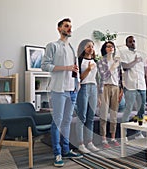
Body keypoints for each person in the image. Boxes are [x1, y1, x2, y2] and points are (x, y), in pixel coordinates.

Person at [41, 18, 83, 167]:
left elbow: (74, 69)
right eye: (66, 26)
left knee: (66, 122)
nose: (69, 28)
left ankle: (66, 150)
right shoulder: (52, 46)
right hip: (59, 90)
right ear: (59, 29)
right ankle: (57, 153)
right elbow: (45, 66)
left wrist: (77, 83)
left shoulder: (72, 48)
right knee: (57, 122)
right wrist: (66, 68)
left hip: (72, 90)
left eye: (71, 26)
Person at [75, 39, 100, 153]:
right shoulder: (79, 61)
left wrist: (99, 95)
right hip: (83, 88)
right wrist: (89, 69)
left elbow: (97, 79)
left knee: (91, 117)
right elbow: (79, 78)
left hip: (93, 88)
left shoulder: (95, 61)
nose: (91, 48)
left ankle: (89, 142)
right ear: (83, 48)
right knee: (82, 117)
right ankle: (80, 144)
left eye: (92, 46)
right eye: (88, 46)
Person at [120, 35, 146, 138]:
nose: (132, 43)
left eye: (134, 41)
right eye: (130, 42)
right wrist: (135, 61)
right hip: (130, 86)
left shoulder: (140, 54)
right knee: (128, 109)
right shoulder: (123, 54)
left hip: (142, 86)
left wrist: (146, 86)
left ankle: (139, 133)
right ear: (127, 44)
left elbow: (143, 71)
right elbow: (125, 67)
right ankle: (124, 134)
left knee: (141, 110)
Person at [97, 41, 122, 149]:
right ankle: (103, 139)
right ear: (104, 49)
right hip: (105, 88)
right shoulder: (101, 61)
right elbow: (103, 76)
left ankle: (112, 138)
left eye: (112, 46)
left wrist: (121, 90)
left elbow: (120, 77)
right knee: (103, 114)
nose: (110, 48)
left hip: (116, 88)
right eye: (108, 46)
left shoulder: (117, 61)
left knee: (114, 115)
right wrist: (112, 67)